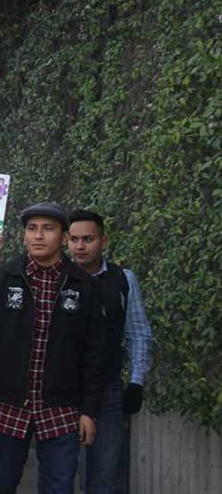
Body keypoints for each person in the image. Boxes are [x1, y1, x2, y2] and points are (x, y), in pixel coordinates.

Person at [0, 202, 104, 494]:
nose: (38, 236)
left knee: (59, 486)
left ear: (64, 237)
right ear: (23, 236)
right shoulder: (0, 281)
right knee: (2, 484)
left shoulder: (83, 286)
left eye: (48, 229)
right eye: (32, 229)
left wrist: (89, 411)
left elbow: (94, 354)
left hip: (62, 408)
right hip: (8, 405)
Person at [68, 209, 152, 494]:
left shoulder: (123, 279)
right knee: (60, 475)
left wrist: (137, 382)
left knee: (104, 476)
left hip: (107, 391)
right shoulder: (57, 278)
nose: (80, 246)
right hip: (61, 392)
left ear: (103, 241)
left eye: (88, 239)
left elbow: (138, 332)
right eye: (75, 239)